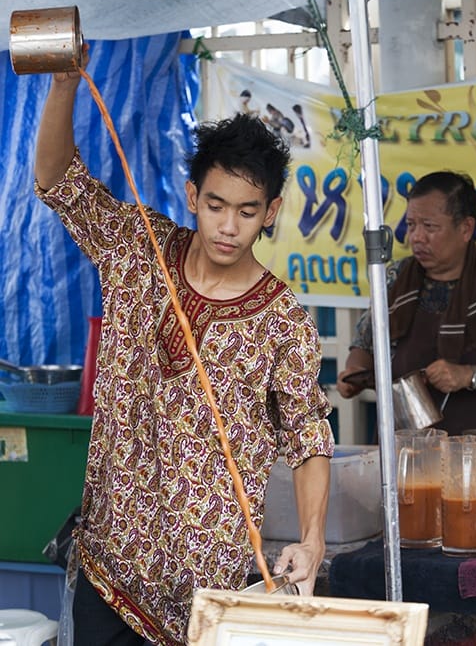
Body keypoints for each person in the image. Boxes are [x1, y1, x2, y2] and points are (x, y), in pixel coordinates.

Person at [34, 54, 334, 646]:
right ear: (193, 194)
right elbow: (56, 182)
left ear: (270, 213)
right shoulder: (136, 250)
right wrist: (65, 81)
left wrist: (313, 537)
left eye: (247, 212)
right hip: (109, 569)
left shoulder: (283, 321)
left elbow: (307, 437)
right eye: (216, 206)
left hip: (205, 594)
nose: (228, 226)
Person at [336, 171, 476, 435]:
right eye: (411, 225)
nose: (417, 237)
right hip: (403, 449)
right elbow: (365, 342)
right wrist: (355, 372)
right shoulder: (396, 279)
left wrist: (469, 376)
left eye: (429, 227)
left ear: (466, 228)